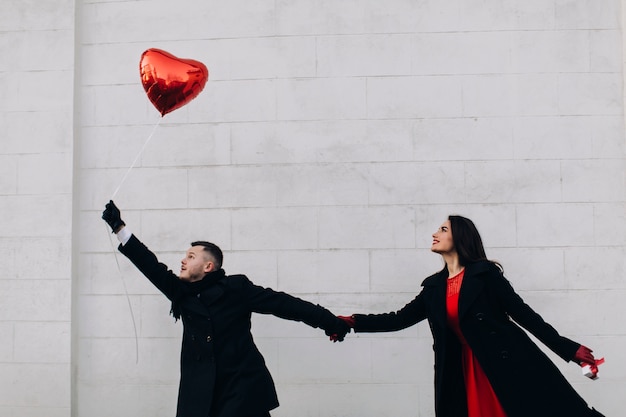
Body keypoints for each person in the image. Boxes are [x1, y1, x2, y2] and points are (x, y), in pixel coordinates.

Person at [336, 215, 605, 417]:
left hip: (505, 365)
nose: (434, 233)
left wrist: (569, 349)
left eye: (443, 229)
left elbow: (525, 315)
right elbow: (397, 319)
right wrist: (354, 322)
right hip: (460, 372)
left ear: (460, 237)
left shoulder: (485, 275)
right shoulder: (433, 288)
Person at [102, 200, 350, 417]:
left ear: (208, 266)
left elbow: (285, 305)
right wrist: (119, 228)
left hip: (241, 392)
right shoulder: (181, 293)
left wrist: (330, 322)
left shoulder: (236, 288)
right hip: (200, 396)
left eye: (190, 256)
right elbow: (149, 264)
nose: (182, 260)